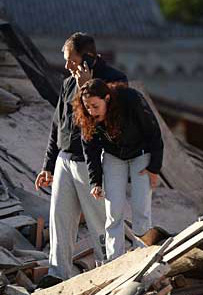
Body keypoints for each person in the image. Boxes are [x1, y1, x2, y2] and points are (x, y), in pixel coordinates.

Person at [35, 32, 127, 281]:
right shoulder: (67, 84)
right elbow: (58, 126)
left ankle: (108, 273)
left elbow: (111, 124)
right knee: (60, 220)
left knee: (100, 223)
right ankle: (57, 274)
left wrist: (89, 85)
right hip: (65, 161)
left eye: (71, 60)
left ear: (87, 58)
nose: (66, 66)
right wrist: (48, 165)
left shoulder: (115, 81)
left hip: (93, 164)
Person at [72, 78, 163, 261]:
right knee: (113, 211)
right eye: (87, 107)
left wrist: (154, 167)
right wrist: (95, 181)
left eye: (95, 106)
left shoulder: (130, 99)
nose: (91, 111)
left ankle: (143, 255)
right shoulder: (89, 118)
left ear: (107, 98)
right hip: (114, 156)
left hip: (141, 153)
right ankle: (114, 260)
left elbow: (153, 131)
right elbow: (90, 151)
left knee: (141, 207)